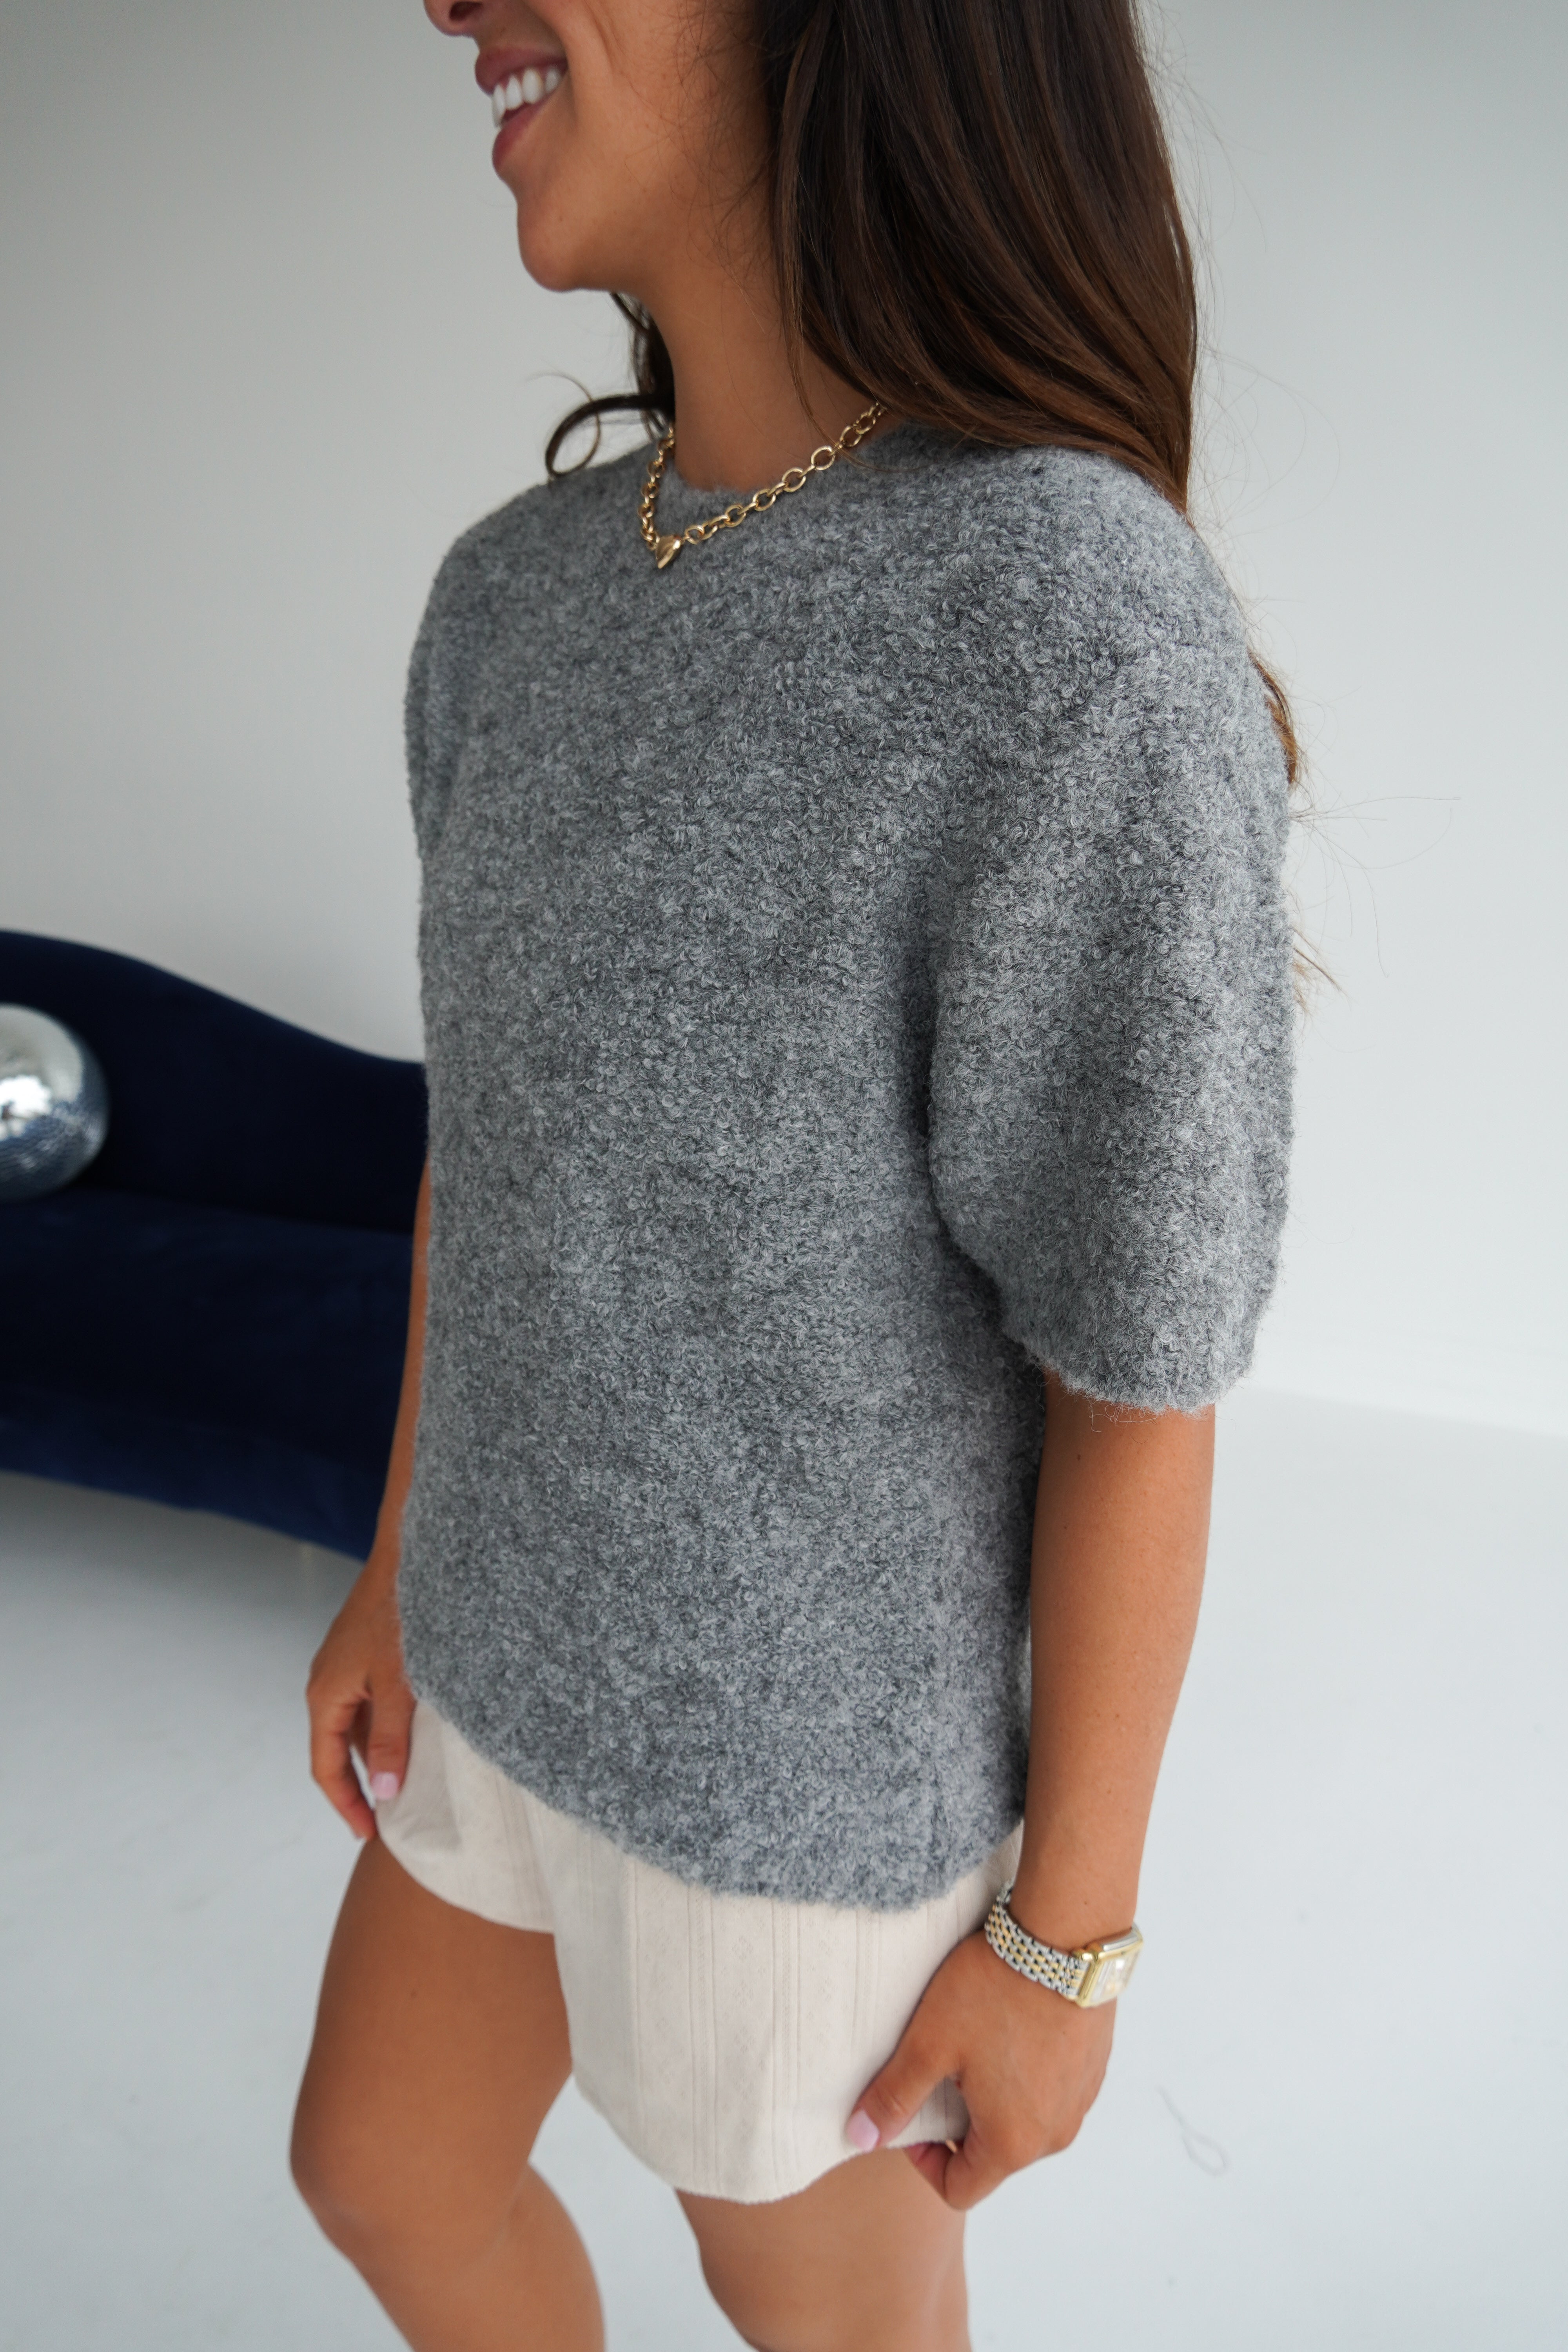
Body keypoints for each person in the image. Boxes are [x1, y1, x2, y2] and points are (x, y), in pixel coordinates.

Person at [289, 2, 1295, 2346]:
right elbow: (485, 1165)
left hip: (800, 1807)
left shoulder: (1068, 628)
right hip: (493, 1659)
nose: (445, 2)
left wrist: (1063, 1937)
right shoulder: (509, 606)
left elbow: (1139, 1361)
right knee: (382, 2176)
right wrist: (399, 1565)